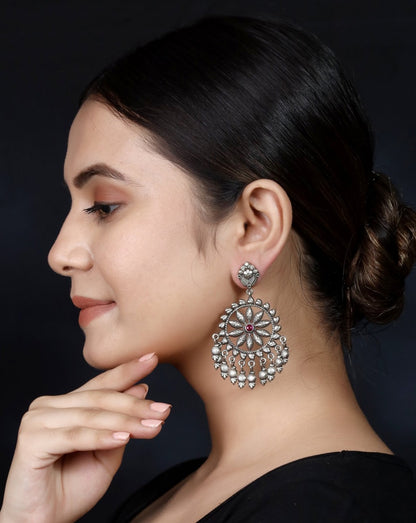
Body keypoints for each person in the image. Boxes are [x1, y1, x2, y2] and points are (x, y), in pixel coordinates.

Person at [1, 15, 416, 523]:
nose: (60, 253)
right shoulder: (169, 495)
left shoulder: (338, 510)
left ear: (255, 226)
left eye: (105, 206)